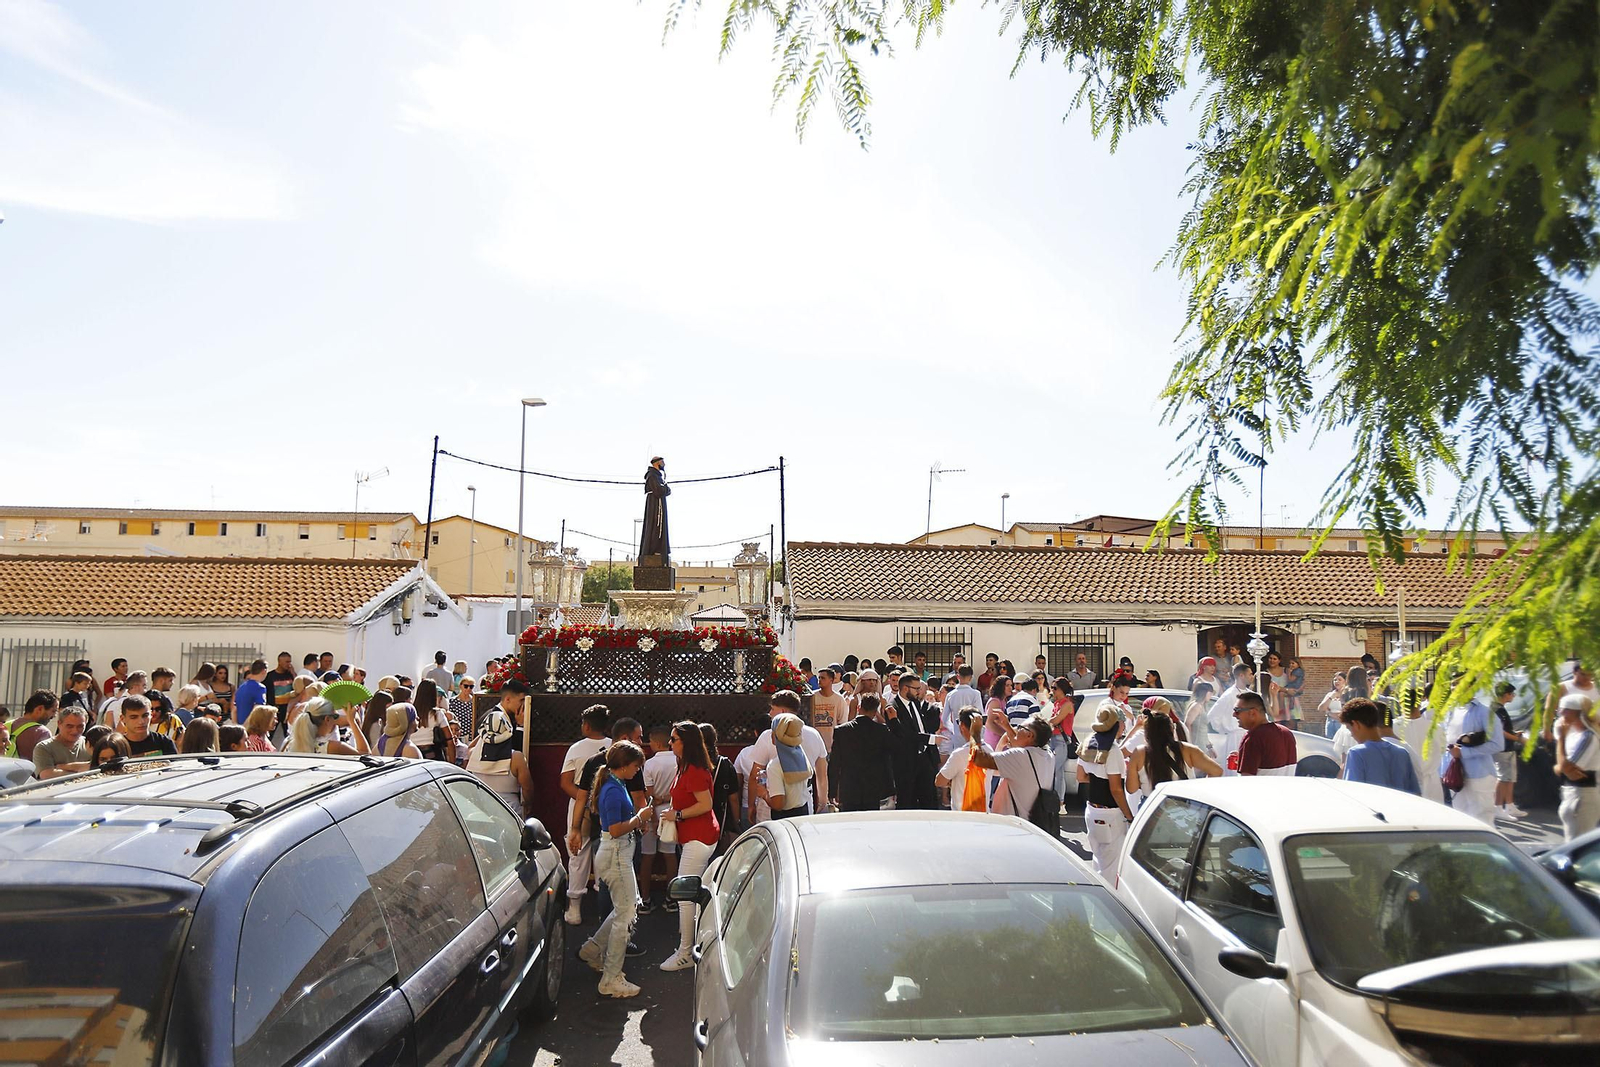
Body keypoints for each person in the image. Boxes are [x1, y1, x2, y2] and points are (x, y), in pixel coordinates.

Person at [575, 741, 653, 999]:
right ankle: (611, 978)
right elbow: (615, 828)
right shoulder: (612, 789)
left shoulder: (612, 784)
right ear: (623, 765)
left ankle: (593, 950)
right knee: (626, 914)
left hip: (616, 854)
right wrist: (641, 817)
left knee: (623, 910)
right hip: (616, 854)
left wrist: (638, 819)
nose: (637, 770)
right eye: (635, 766)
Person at [659, 720, 720, 972]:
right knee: (694, 894)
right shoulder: (685, 766)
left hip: (698, 838)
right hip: (697, 837)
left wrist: (678, 815)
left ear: (686, 742)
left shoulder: (693, 769)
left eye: (673, 739)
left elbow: (705, 804)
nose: (669, 743)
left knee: (685, 897)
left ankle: (686, 952)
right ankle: (694, 945)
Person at [559, 704, 613, 925]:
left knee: (577, 856)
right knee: (605, 855)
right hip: (607, 808)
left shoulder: (576, 748)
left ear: (587, 725)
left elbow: (565, 782)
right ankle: (604, 909)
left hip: (580, 809)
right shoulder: (614, 746)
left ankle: (575, 909)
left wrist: (586, 801)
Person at [746, 691, 830, 813]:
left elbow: (755, 775)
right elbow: (822, 775)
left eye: (773, 709)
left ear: (783, 712)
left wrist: (751, 805)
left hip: (771, 803)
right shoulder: (814, 734)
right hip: (804, 802)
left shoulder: (767, 735)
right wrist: (822, 802)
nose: (770, 713)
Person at [1077, 705, 1133, 881]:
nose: (1124, 726)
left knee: (1098, 859)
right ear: (1116, 725)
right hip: (1111, 814)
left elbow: (1081, 777)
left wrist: (1097, 777)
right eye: (1122, 722)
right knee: (1111, 866)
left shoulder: (1087, 742)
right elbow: (1116, 789)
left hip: (1092, 809)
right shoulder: (1113, 750)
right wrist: (1129, 815)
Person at [969, 712, 1054, 821]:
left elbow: (979, 759)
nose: (1016, 730)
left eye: (1020, 727)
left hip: (1013, 825)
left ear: (1030, 735)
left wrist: (975, 732)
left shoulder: (1020, 756)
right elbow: (1021, 742)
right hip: (1031, 823)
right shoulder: (1047, 753)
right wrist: (1006, 726)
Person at [1126, 704, 1221, 796]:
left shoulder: (1139, 753)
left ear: (1146, 732)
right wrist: (1198, 791)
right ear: (1171, 729)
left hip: (1154, 806)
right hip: (1184, 804)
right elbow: (1217, 771)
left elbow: (1131, 789)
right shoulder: (1188, 749)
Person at [1440, 692, 1501, 823]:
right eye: (1453, 684)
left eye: (1460, 684)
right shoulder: (1450, 711)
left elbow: (1498, 744)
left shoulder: (1484, 712)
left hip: (1479, 774)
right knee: (1460, 818)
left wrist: (1464, 753)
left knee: (1482, 819)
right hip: (1455, 775)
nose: (1455, 688)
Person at [829, 693, 896, 811]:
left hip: (849, 788)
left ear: (858, 708)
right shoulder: (882, 731)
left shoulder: (842, 731)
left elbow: (834, 763)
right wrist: (890, 789)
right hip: (873, 788)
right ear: (875, 712)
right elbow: (887, 761)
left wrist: (832, 791)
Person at [1339, 698, 1421, 795]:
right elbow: (1415, 794)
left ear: (1356, 724)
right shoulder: (1402, 753)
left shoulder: (1356, 753)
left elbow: (1353, 793)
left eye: (1349, 728)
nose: (1351, 734)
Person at [638, 726, 680, 914]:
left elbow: (648, 794)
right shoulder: (678, 762)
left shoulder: (650, 764)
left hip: (652, 812)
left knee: (648, 856)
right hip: (671, 812)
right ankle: (671, 899)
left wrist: (652, 818)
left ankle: (645, 899)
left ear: (655, 743)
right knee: (670, 855)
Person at [466, 707, 535, 815]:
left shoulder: (473, 754)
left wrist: (488, 732)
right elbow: (527, 788)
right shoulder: (517, 758)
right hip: (510, 813)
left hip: (481, 811)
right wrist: (528, 804)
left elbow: (470, 747)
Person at [1553, 694, 1599, 841]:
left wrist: (1561, 739)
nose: (1561, 713)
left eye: (1566, 710)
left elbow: (1566, 768)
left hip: (1583, 796)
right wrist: (1562, 767)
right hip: (1571, 792)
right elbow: (1562, 769)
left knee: (1577, 845)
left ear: (1578, 712)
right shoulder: (1573, 735)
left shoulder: (1588, 736)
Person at [758, 712, 814, 819]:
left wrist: (764, 793)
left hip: (785, 820)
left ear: (776, 735)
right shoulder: (802, 757)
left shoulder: (775, 766)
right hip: (803, 814)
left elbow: (778, 804)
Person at [1490, 681, 1529, 819]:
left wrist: (1513, 733)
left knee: (1509, 777)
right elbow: (1499, 731)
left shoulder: (1497, 708)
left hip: (1505, 747)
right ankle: (1498, 806)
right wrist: (1517, 738)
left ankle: (1509, 805)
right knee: (1504, 778)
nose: (1513, 696)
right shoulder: (1498, 709)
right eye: (1512, 694)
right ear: (1506, 694)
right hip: (1503, 748)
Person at [700, 722, 742, 847]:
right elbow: (733, 798)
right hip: (721, 819)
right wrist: (736, 821)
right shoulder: (725, 764)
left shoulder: (692, 763)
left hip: (697, 819)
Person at [1233, 692, 1296, 776]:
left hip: (1263, 789)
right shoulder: (1287, 733)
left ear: (1253, 713)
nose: (1234, 715)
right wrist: (1243, 759)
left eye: (1237, 711)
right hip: (1286, 788)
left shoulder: (1253, 738)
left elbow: (1247, 780)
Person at [935, 708, 985, 811]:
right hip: (984, 813)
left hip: (962, 815)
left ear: (962, 726)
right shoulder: (990, 750)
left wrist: (953, 781)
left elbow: (939, 781)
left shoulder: (959, 754)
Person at [284, 697, 371, 756]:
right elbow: (367, 756)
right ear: (327, 719)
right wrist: (351, 721)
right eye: (335, 716)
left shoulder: (289, 745)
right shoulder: (332, 747)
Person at [1209, 662, 1255, 768]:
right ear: (1241, 675)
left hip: (1249, 735)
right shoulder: (1229, 695)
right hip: (1235, 736)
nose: (1252, 677)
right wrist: (1225, 728)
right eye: (1250, 674)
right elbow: (1213, 715)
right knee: (1234, 768)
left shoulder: (1250, 694)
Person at [33, 707, 91, 778]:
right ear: (59, 724)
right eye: (70, 726)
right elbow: (46, 775)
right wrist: (82, 770)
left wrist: (65, 767)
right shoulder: (44, 747)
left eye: (80, 726)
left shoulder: (89, 744)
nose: (75, 731)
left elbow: (98, 766)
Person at [1044, 677, 1078, 799]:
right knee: (1058, 772)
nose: (1052, 691)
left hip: (1061, 740)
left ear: (1062, 690)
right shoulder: (1057, 704)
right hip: (1053, 739)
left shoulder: (1067, 704)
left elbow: (1056, 719)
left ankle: (1057, 800)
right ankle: (1059, 801)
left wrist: (1043, 722)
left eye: (1054, 688)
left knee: (1054, 769)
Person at [6, 690, 57, 763]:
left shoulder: (5, 726)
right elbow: (45, 765)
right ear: (40, 709)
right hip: (27, 774)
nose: (54, 716)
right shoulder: (42, 732)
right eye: (53, 711)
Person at [809, 666, 846, 751]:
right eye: (819, 678)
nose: (819, 680)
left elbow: (842, 722)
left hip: (832, 746)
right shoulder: (812, 697)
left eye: (823, 678)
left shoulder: (839, 699)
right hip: (814, 745)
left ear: (831, 680)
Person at [235, 660, 269, 726]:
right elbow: (258, 708)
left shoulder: (241, 687)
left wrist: (237, 726)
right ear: (264, 671)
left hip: (239, 725)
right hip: (252, 726)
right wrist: (246, 725)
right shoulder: (260, 688)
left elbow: (234, 709)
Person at [1318, 671, 1348, 739]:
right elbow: (1321, 708)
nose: (1337, 681)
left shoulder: (1348, 694)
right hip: (1330, 721)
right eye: (1335, 680)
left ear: (1345, 681)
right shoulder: (1330, 694)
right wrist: (1331, 697)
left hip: (1342, 722)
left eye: (1339, 680)